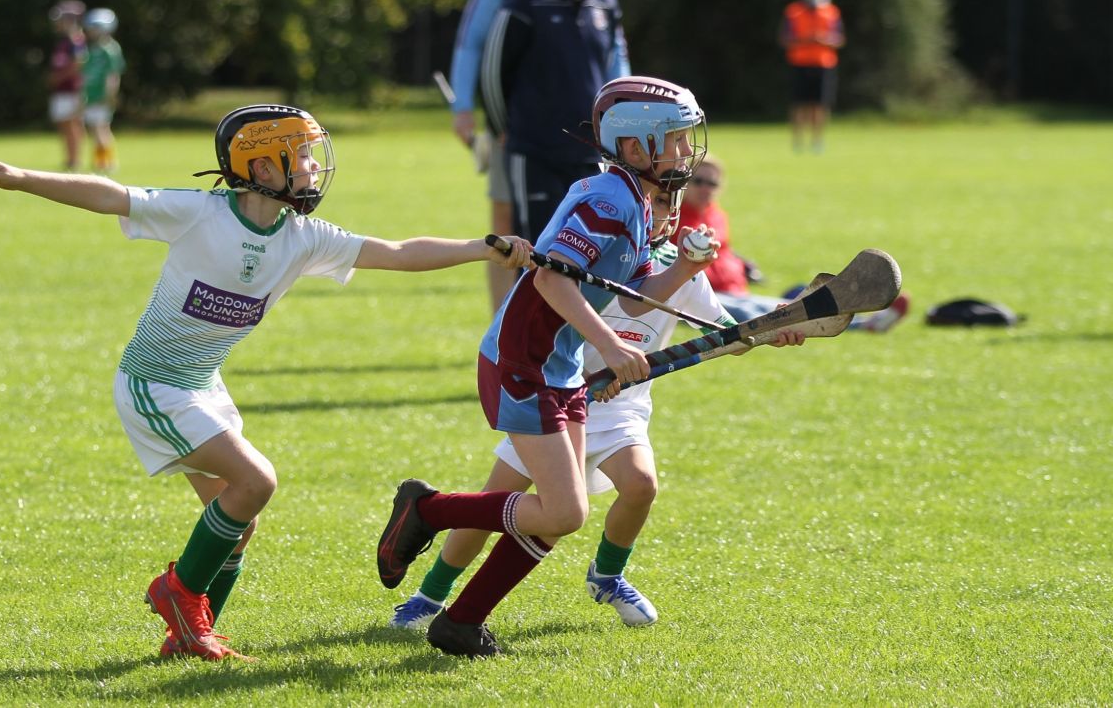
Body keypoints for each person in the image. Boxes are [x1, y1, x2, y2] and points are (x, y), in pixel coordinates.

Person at [0, 104, 532, 662]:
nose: (313, 167)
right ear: (260, 167)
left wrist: (479, 248)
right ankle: (177, 595)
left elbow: (399, 252)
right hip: (154, 385)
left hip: (202, 384)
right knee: (256, 481)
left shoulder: (302, 235)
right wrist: (21, 178)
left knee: (240, 522)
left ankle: (191, 636)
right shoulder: (200, 212)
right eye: (302, 156)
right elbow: (110, 194)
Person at [376, 77, 711, 658]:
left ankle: (461, 622)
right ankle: (426, 508)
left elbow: (630, 298)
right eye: (675, 140)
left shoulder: (634, 203)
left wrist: (681, 269)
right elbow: (551, 277)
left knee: (557, 517)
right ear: (634, 147)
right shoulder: (607, 200)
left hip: (557, 366)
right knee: (564, 510)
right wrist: (609, 346)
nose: (687, 152)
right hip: (521, 362)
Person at [388, 188, 763, 632]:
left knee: (640, 485)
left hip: (621, 411)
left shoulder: (685, 274)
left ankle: (607, 576)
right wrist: (592, 378)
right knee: (499, 507)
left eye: (669, 204)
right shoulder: (612, 259)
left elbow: (729, 333)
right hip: (560, 395)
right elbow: (578, 315)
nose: (662, 213)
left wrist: (776, 327)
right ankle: (429, 595)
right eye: (655, 203)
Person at [448, 0, 588, 312]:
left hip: (573, 135)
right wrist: (465, 108)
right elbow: (473, 41)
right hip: (513, 127)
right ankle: (500, 326)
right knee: (507, 227)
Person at [485, 0, 631, 245]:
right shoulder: (525, 1)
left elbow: (613, 72)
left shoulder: (604, 2)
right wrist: (501, 127)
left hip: (591, 155)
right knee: (537, 253)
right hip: (535, 153)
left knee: (591, 252)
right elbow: (492, 71)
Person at [678, 158, 909, 331]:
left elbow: (725, 250)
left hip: (736, 289)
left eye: (712, 183)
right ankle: (865, 326)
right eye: (698, 181)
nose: (706, 188)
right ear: (684, 183)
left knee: (790, 306)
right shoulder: (673, 217)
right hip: (704, 293)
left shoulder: (717, 215)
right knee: (755, 316)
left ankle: (863, 320)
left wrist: (743, 265)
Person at [779, 0, 844, 153]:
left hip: (824, 64)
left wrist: (823, 39)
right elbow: (785, 39)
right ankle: (798, 141)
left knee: (820, 105)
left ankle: (817, 141)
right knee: (799, 104)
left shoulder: (831, 12)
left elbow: (839, 39)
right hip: (799, 63)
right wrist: (806, 40)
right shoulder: (793, 12)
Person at [81, 8, 125, 175]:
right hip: (90, 97)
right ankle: (100, 161)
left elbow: (113, 76)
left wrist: (109, 95)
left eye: (94, 27)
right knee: (94, 129)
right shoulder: (92, 50)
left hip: (102, 97)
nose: (90, 31)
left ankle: (108, 162)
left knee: (101, 128)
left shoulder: (111, 49)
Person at [47, 0, 88, 172]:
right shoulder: (64, 41)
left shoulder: (75, 40)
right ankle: (69, 159)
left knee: (72, 125)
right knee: (64, 125)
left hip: (72, 90)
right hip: (62, 91)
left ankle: (74, 160)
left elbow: (79, 63)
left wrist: (59, 77)